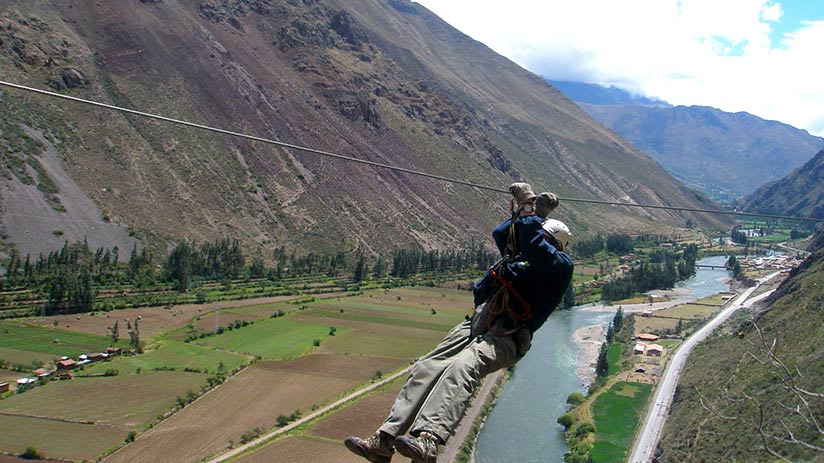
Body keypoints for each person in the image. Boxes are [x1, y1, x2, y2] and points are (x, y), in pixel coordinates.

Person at [344, 183, 574, 463]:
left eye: (537, 232)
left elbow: (533, 244)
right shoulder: (524, 253)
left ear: (552, 241)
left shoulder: (560, 266)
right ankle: (384, 440)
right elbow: (503, 233)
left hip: (505, 337)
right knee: (426, 367)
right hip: (479, 323)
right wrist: (534, 214)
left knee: (462, 367)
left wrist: (528, 208)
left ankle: (429, 440)